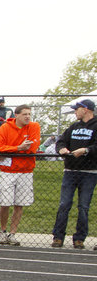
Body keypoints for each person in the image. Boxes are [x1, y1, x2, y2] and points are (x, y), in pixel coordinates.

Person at [52, 99, 97, 249]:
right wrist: (62, 149)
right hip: (70, 172)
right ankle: (58, 237)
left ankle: (79, 238)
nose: (75, 112)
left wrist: (85, 150)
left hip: (89, 173)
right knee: (64, 204)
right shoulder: (73, 126)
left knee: (83, 206)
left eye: (77, 109)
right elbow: (61, 141)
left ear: (85, 109)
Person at [0, 104, 40, 245]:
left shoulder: (34, 127)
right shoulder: (5, 128)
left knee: (20, 203)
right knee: (5, 202)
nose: (27, 117)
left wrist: (12, 150)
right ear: (17, 115)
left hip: (26, 171)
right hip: (8, 171)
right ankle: (3, 231)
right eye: (24, 114)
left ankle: (12, 233)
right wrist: (18, 148)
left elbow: (32, 148)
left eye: (29, 114)